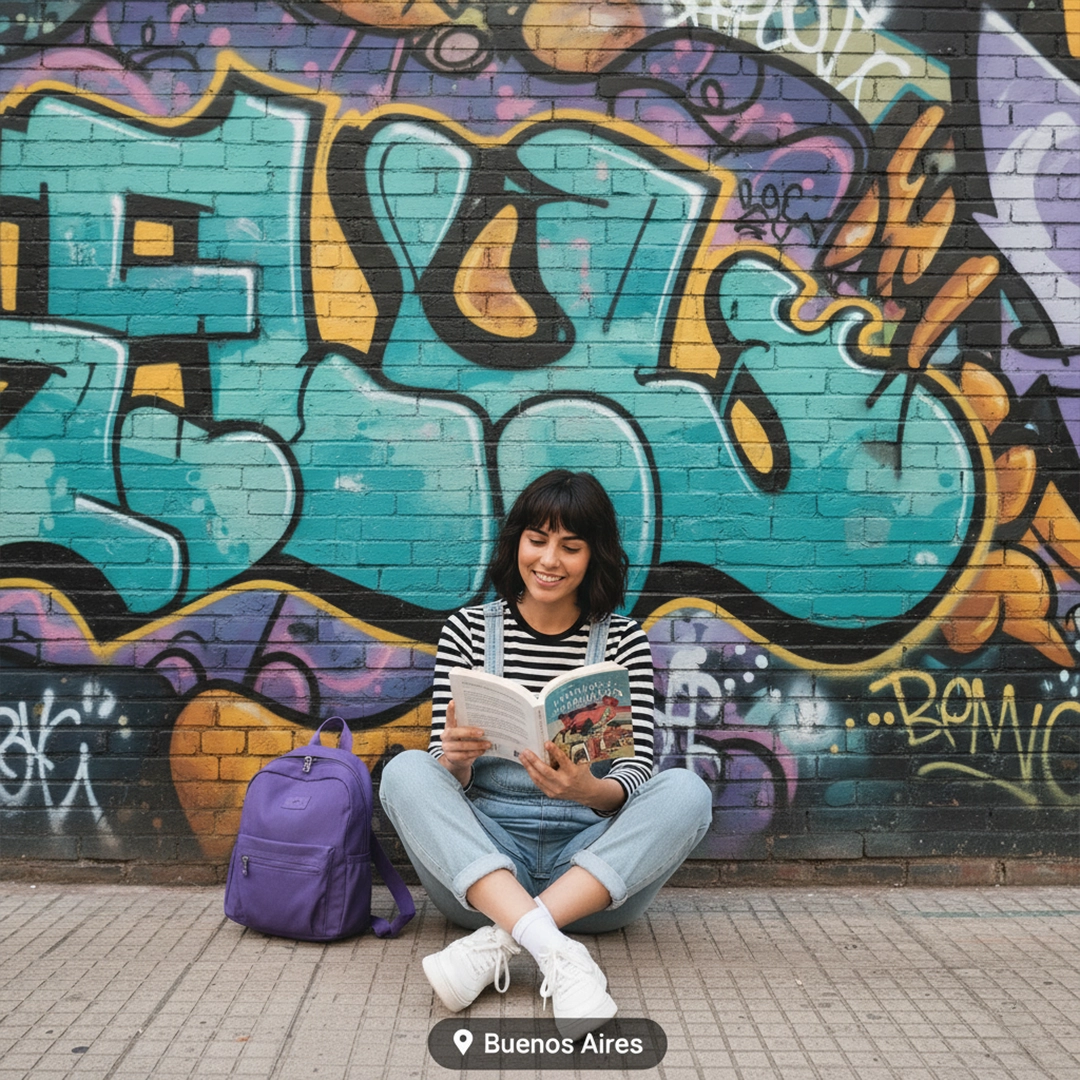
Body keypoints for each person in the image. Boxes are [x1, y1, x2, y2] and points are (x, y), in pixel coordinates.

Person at [379, 470, 712, 1038]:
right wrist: (454, 761)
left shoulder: (622, 639)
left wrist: (588, 790)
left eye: (571, 546)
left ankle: (501, 942)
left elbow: (635, 768)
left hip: (589, 874)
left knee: (688, 791)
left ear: (594, 556)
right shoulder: (466, 631)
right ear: (516, 544)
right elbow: (442, 774)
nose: (550, 560)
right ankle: (560, 955)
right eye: (537, 539)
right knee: (405, 771)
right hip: (484, 868)